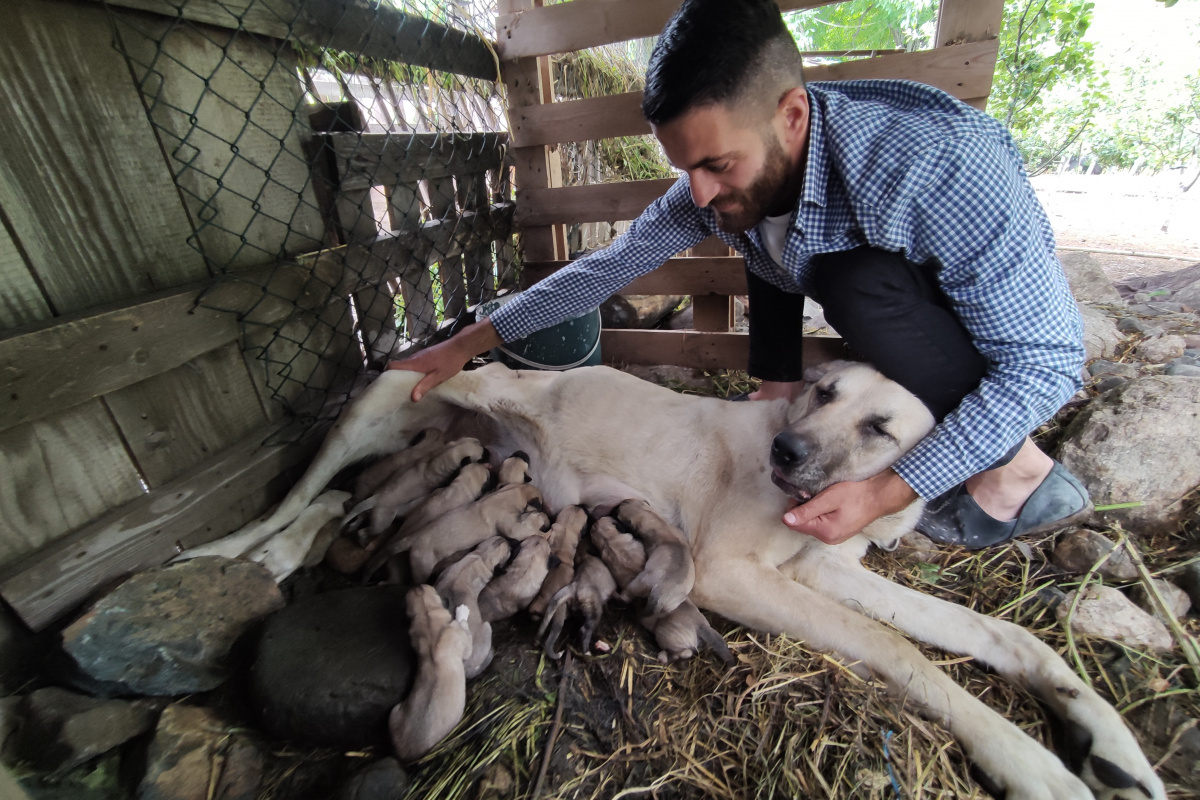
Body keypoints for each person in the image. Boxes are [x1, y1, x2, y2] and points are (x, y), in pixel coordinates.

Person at [389, 0, 1092, 549]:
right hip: (887, 324)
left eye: (715, 165)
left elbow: (1046, 367)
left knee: (849, 275)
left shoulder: (937, 168)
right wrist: (470, 342)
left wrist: (888, 492)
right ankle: (779, 383)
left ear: (791, 115)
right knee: (756, 221)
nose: (694, 192)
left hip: (978, 348)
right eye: (682, 169)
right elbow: (613, 265)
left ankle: (1017, 474)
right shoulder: (730, 180)